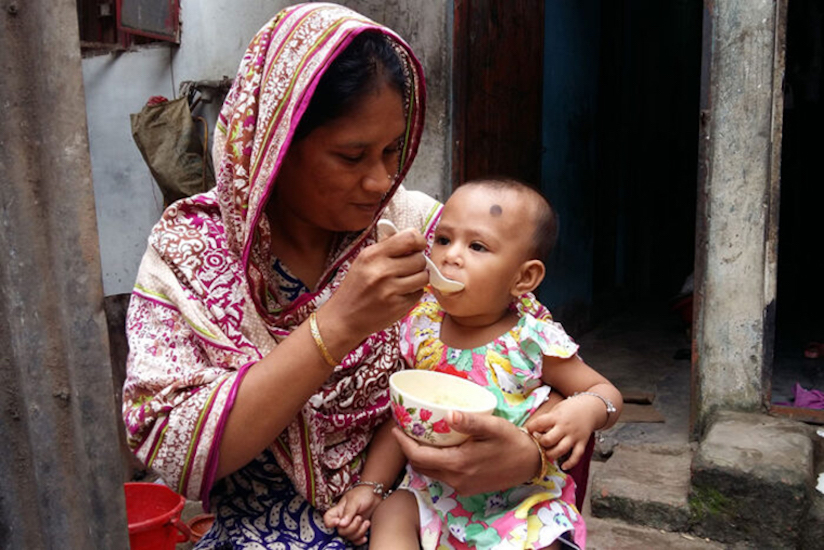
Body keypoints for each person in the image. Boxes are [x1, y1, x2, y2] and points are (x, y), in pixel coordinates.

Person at [122, 4, 581, 549]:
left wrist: (527, 453)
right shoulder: (191, 252)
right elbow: (173, 449)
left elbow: (527, 356)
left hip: (423, 518)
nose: (380, 180)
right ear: (275, 146)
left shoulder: (419, 231)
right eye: (351, 155)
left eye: (391, 151)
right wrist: (336, 326)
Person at [323, 178, 623, 550]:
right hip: (432, 494)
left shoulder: (531, 341)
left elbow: (604, 391)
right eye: (444, 239)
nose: (450, 256)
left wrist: (587, 409)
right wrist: (370, 486)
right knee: (392, 511)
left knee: (543, 538)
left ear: (523, 278)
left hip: (515, 502)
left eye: (477, 246)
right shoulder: (420, 326)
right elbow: (400, 420)